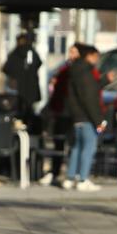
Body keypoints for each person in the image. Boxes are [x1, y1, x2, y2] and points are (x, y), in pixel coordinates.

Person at [37, 43, 81, 186]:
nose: (71, 55)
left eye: (74, 52)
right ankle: (56, 172)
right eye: (70, 52)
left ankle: (73, 173)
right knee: (59, 144)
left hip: (73, 113)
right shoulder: (65, 68)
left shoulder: (79, 70)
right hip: (62, 112)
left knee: (74, 144)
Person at [63, 44, 105, 192]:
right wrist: (98, 121)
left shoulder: (74, 70)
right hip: (87, 116)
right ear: (89, 55)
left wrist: (104, 81)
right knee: (88, 147)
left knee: (77, 147)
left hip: (76, 116)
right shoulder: (86, 73)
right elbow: (89, 98)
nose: (97, 60)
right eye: (96, 56)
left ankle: (70, 177)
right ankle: (82, 179)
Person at [2, 32, 43, 129]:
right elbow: (39, 63)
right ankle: (29, 129)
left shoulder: (14, 53)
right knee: (29, 112)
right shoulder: (32, 52)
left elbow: (6, 68)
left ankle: (19, 127)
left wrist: (15, 75)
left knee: (17, 112)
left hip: (17, 89)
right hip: (31, 89)